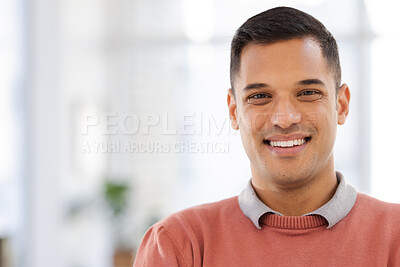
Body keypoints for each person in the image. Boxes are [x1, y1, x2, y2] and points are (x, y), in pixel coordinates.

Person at [133, 7, 400, 266]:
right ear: (234, 110)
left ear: (341, 105)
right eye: (260, 96)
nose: (284, 119)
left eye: (307, 93)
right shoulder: (179, 246)